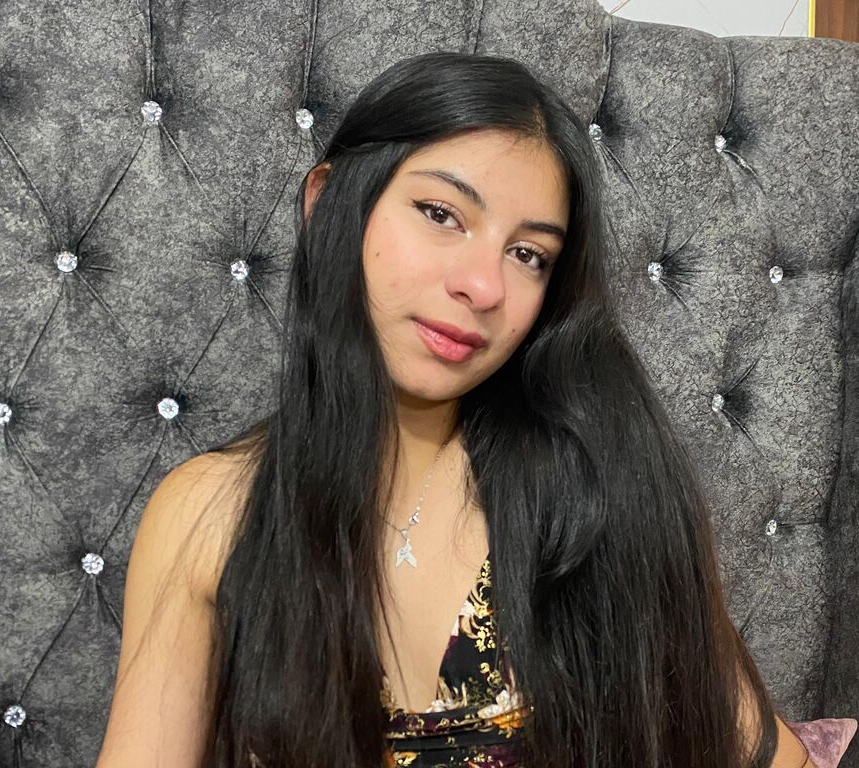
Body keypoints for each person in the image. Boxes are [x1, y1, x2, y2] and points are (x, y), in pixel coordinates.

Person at [95, 51, 816, 768]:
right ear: (327, 203)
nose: (484, 285)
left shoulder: (595, 490)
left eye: (528, 254)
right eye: (441, 214)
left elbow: (769, 752)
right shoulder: (206, 515)